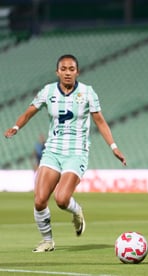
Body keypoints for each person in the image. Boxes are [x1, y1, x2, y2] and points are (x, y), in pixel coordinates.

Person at [4, 54, 126, 253]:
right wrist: (16, 127)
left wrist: (114, 147)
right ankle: (48, 241)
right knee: (39, 199)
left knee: (61, 199)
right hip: (52, 150)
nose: (67, 72)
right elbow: (28, 112)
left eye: (71, 69)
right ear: (57, 72)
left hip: (76, 152)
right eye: (64, 69)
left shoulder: (87, 92)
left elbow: (100, 121)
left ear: (77, 71)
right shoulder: (48, 91)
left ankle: (77, 210)